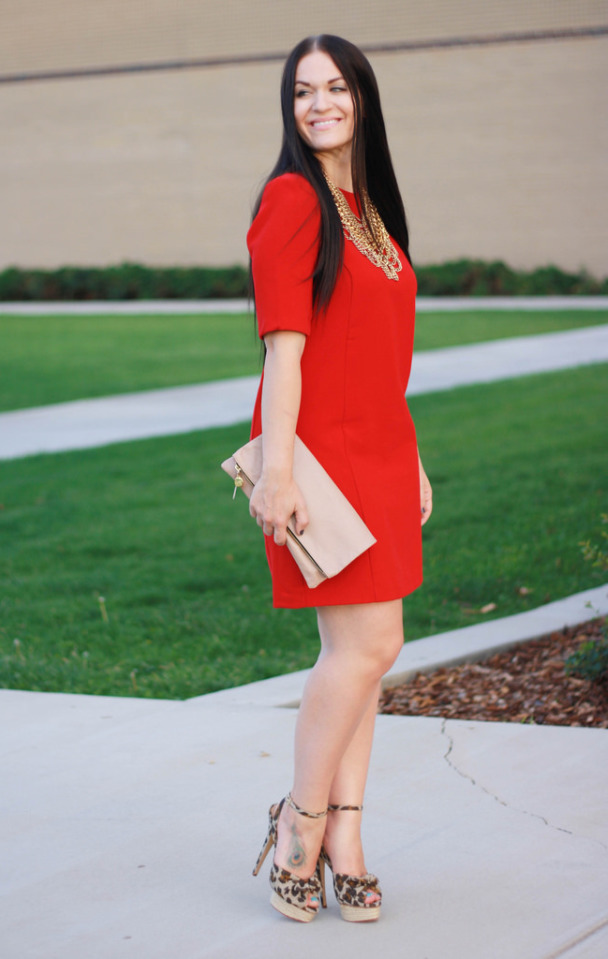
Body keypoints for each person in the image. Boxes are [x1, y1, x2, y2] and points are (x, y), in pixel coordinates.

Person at [247, 34, 432, 923]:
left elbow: (383, 354)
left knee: (372, 653)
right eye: (302, 91)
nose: (318, 103)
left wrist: (416, 456)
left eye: (335, 88)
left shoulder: (372, 207)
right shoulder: (293, 199)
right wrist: (276, 471)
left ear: (363, 97)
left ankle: (345, 832)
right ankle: (301, 822)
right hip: (322, 455)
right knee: (358, 650)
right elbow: (287, 350)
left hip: (384, 449)